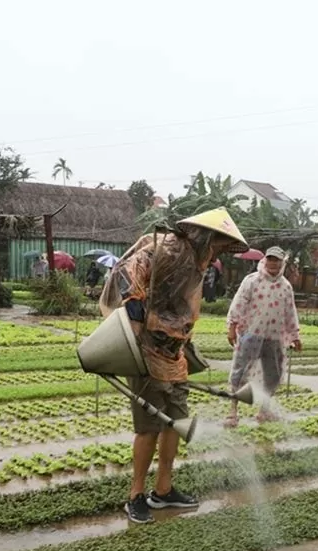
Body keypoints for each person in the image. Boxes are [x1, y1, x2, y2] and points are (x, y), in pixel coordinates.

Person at [100, 208, 249, 524]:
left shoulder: (197, 263)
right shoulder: (169, 248)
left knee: (175, 422)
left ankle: (163, 490)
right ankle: (136, 495)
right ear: (205, 236)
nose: (218, 251)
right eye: (218, 244)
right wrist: (136, 310)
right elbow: (129, 271)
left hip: (174, 352)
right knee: (149, 425)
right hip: (146, 348)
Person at [224, 246, 302, 426]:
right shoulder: (252, 280)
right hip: (251, 334)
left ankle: (264, 411)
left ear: (282, 263)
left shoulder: (285, 286)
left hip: (275, 338)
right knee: (240, 372)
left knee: (272, 374)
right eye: (270, 259)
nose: (273, 263)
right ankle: (232, 412)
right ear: (265, 260)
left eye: (277, 260)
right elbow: (239, 303)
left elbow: (290, 312)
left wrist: (295, 336)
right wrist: (232, 326)